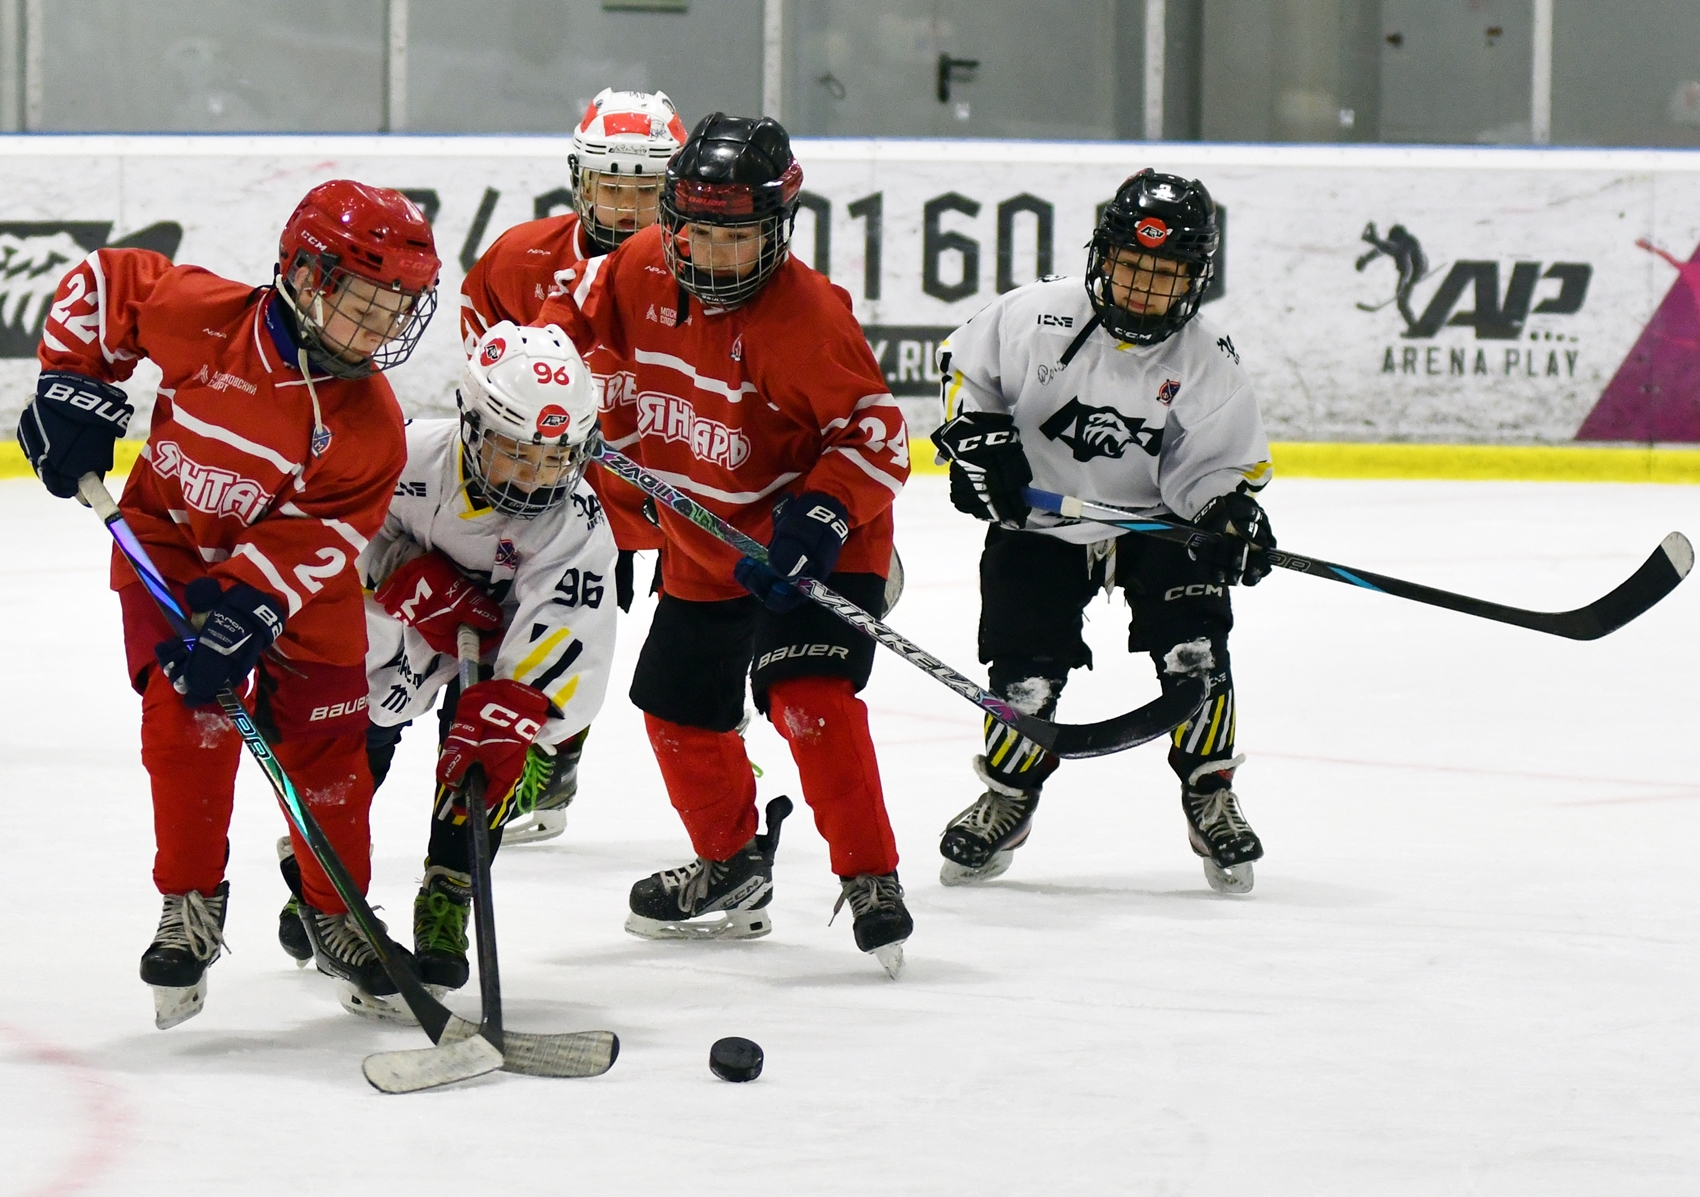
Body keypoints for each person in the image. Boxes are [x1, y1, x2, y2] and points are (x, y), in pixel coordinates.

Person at [16, 179, 441, 1026]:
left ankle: (335, 911)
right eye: (365, 300)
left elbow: (320, 540)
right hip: (167, 542)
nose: (381, 328)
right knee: (186, 720)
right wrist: (72, 386)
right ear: (306, 275)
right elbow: (100, 286)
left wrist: (248, 607)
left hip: (292, 590)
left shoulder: (369, 429)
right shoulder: (203, 314)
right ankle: (190, 904)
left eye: (399, 307)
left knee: (328, 757)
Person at [538, 113, 914, 975]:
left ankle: (870, 876)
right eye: (696, 231)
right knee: (675, 705)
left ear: (777, 230)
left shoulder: (809, 319)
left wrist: (820, 518)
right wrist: (541, 375)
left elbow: (876, 437)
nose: (709, 254)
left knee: (805, 694)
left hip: (817, 538)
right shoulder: (635, 271)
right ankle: (733, 865)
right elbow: (564, 320)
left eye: (735, 237)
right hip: (707, 542)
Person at [930, 169, 1275, 894]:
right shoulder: (1035, 314)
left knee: (1197, 650)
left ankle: (1210, 790)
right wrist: (980, 442)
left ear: (1195, 279)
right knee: (1025, 671)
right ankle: (1008, 794)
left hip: (1157, 525)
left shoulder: (1208, 359)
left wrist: (1225, 512)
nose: (1144, 288)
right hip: (1041, 519)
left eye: (1166, 274)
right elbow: (966, 369)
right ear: (1102, 255)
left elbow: (1217, 464)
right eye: (1131, 267)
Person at [276, 322, 617, 991]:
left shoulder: (575, 522)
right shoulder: (402, 456)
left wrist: (512, 709)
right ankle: (327, 884)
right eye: (518, 454)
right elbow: (323, 524)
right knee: (357, 742)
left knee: (481, 762)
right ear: (472, 423)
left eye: (557, 459)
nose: (537, 478)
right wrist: (400, 570)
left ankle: (447, 894)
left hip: (498, 656)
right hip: (390, 633)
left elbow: (568, 630)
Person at [457, 86, 685, 843]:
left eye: (646, 190)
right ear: (579, 180)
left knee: (706, 658)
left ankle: (726, 779)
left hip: (688, 495)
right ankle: (550, 765)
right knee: (556, 628)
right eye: (609, 185)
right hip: (565, 492)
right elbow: (484, 380)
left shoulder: (714, 268)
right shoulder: (517, 259)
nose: (625, 207)